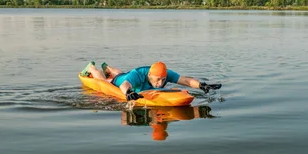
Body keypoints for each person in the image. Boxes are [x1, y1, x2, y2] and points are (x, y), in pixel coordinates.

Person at [80, 60, 222, 100]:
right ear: (149, 76)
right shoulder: (139, 74)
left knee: (121, 73)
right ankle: (92, 67)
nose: (161, 83)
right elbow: (124, 85)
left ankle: (108, 67)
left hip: (126, 75)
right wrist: (128, 93)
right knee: (105, 81)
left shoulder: (165, 73)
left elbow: (185, 80)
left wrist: (202, 85)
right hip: (121, 81)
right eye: (157, 80)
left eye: (163, 80)